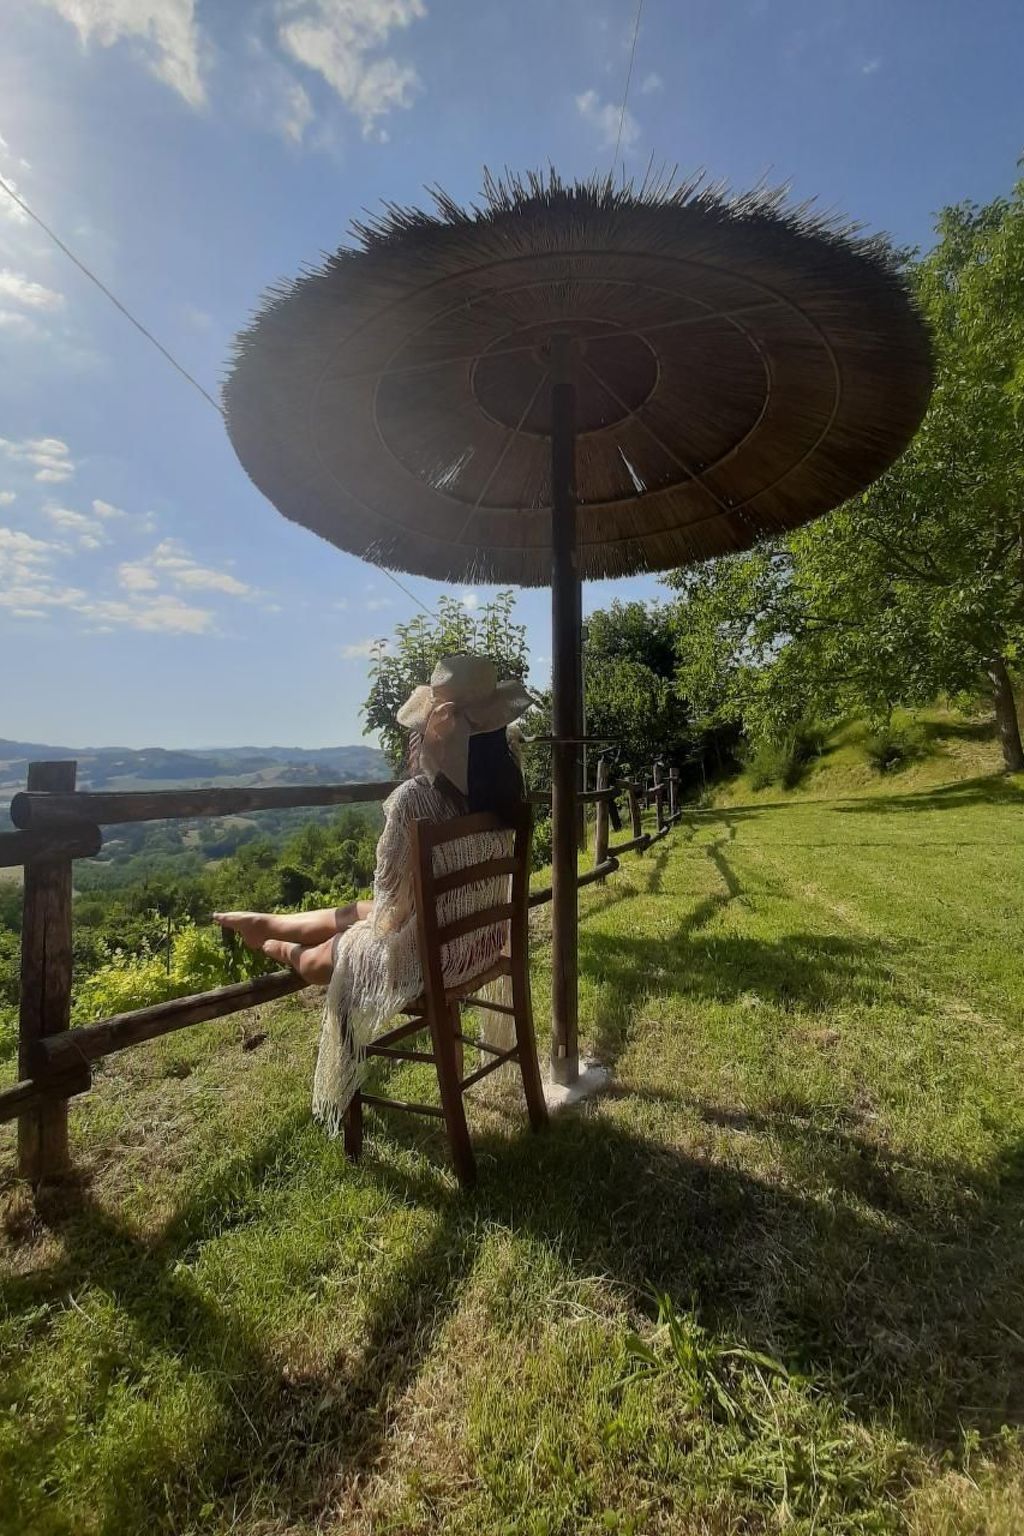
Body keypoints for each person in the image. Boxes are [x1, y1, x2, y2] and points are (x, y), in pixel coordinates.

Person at [214, 654, 535, 1133]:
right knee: (357, 915)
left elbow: (390, 904)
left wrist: (373, 925)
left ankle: (275, 945)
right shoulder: (509, 794)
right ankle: (273, 922)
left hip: (439, 956)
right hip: (483, 939)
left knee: (328, 960)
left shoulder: (415, 800)